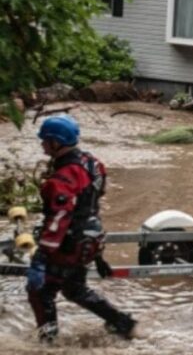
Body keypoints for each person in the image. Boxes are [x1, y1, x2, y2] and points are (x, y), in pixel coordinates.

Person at [28, 115, 137, 342]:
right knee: (74, 289)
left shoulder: (61, 178)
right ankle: (122, 322)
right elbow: (98, 195)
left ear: (56, 143)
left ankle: (47, 343)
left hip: (68, 244)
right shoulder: (93, 163)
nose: (42, 144)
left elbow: (60, 216)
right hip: (90, 238)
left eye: (45, 140)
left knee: (40, 292)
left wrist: (42, 255)